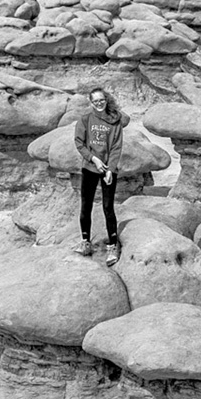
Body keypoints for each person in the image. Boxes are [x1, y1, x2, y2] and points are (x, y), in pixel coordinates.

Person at [72, 87, 125, 265]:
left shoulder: (115, 121)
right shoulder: (86, 119)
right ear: (91, 103)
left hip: (109, 170)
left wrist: (110, 169)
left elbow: (117, 147)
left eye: (101, 100)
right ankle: (85, 242)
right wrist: (93, 159)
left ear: (106, 99)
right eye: (95, 101)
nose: (99, 103)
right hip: (90, 168)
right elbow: (79, 142)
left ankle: (112, 247)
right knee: (86, 206)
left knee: (108, 207)